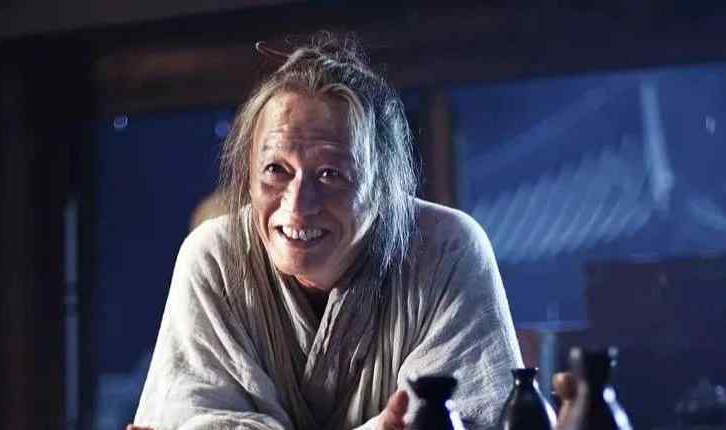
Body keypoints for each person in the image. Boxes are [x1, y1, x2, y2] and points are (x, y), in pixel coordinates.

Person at [130, 33, 523, 430]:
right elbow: (197, 418)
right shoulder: (215, 256)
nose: (298, 205)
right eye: (276, 170)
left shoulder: (445, 249)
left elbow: (465, 418)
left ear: (383, 185)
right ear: (248, 173)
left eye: (330, 174)